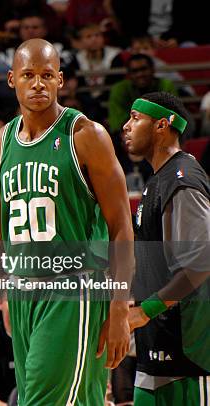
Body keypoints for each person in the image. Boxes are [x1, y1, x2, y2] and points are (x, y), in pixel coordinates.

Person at [0, 38, 134, 405]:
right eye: (28, 75)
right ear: (11, 80)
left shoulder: (86, 136)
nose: (38, 83)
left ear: (61, 81)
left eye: (47, 75)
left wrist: (120, 307)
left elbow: (121, 227)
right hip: (22, 293)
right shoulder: (2, 142)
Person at [122, 92, 210, 405]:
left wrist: (143, 312)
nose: (125, 126)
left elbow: (200, 264)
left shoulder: (181, 178)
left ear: (162, 125)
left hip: (187, 356)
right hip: (155, 350)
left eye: (135, 117)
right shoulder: (158, 180)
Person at [108, 54, 177, 135]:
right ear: (129, 74)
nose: (140, 74)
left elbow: (173, 117)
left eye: (143, 69)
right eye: (135, 71)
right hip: (129, 134)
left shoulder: (165, 85)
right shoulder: (120, 89)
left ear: (152, 70)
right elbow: (117, 123)